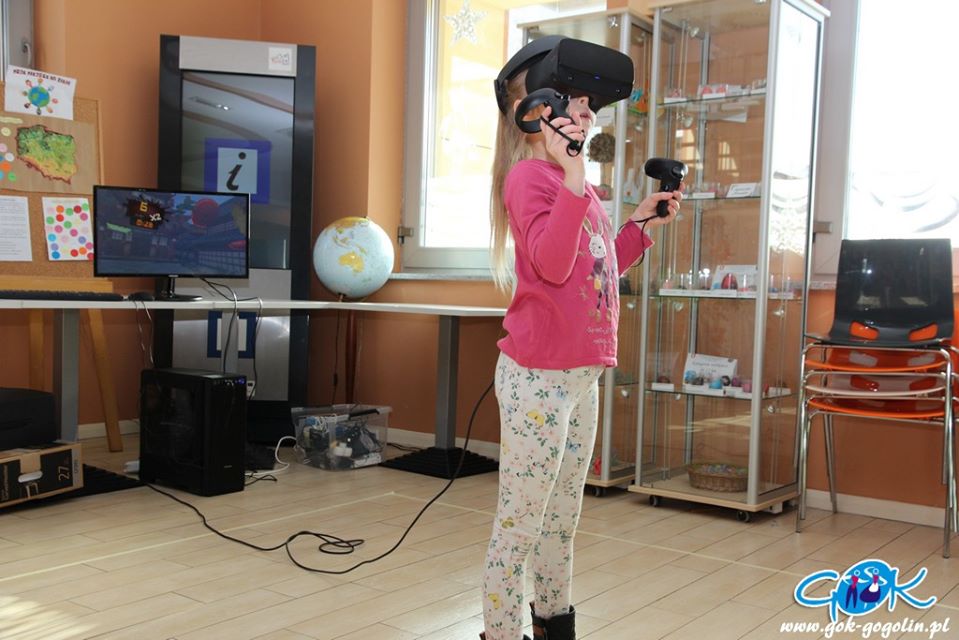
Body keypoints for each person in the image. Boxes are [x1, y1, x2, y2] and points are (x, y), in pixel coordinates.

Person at [482, 43, 682, 640]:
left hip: (580, 378)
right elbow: (549, 263)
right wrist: (573, 177)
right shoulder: (529, 178)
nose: (590, 111)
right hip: (538, 380)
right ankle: (500, 632)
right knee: (520, 524)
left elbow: (593, 269)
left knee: (561, 521)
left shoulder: (577, 187)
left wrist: (638, 225)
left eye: (593, 103)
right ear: (540, 110)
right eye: (578, 101)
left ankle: (553, 623)